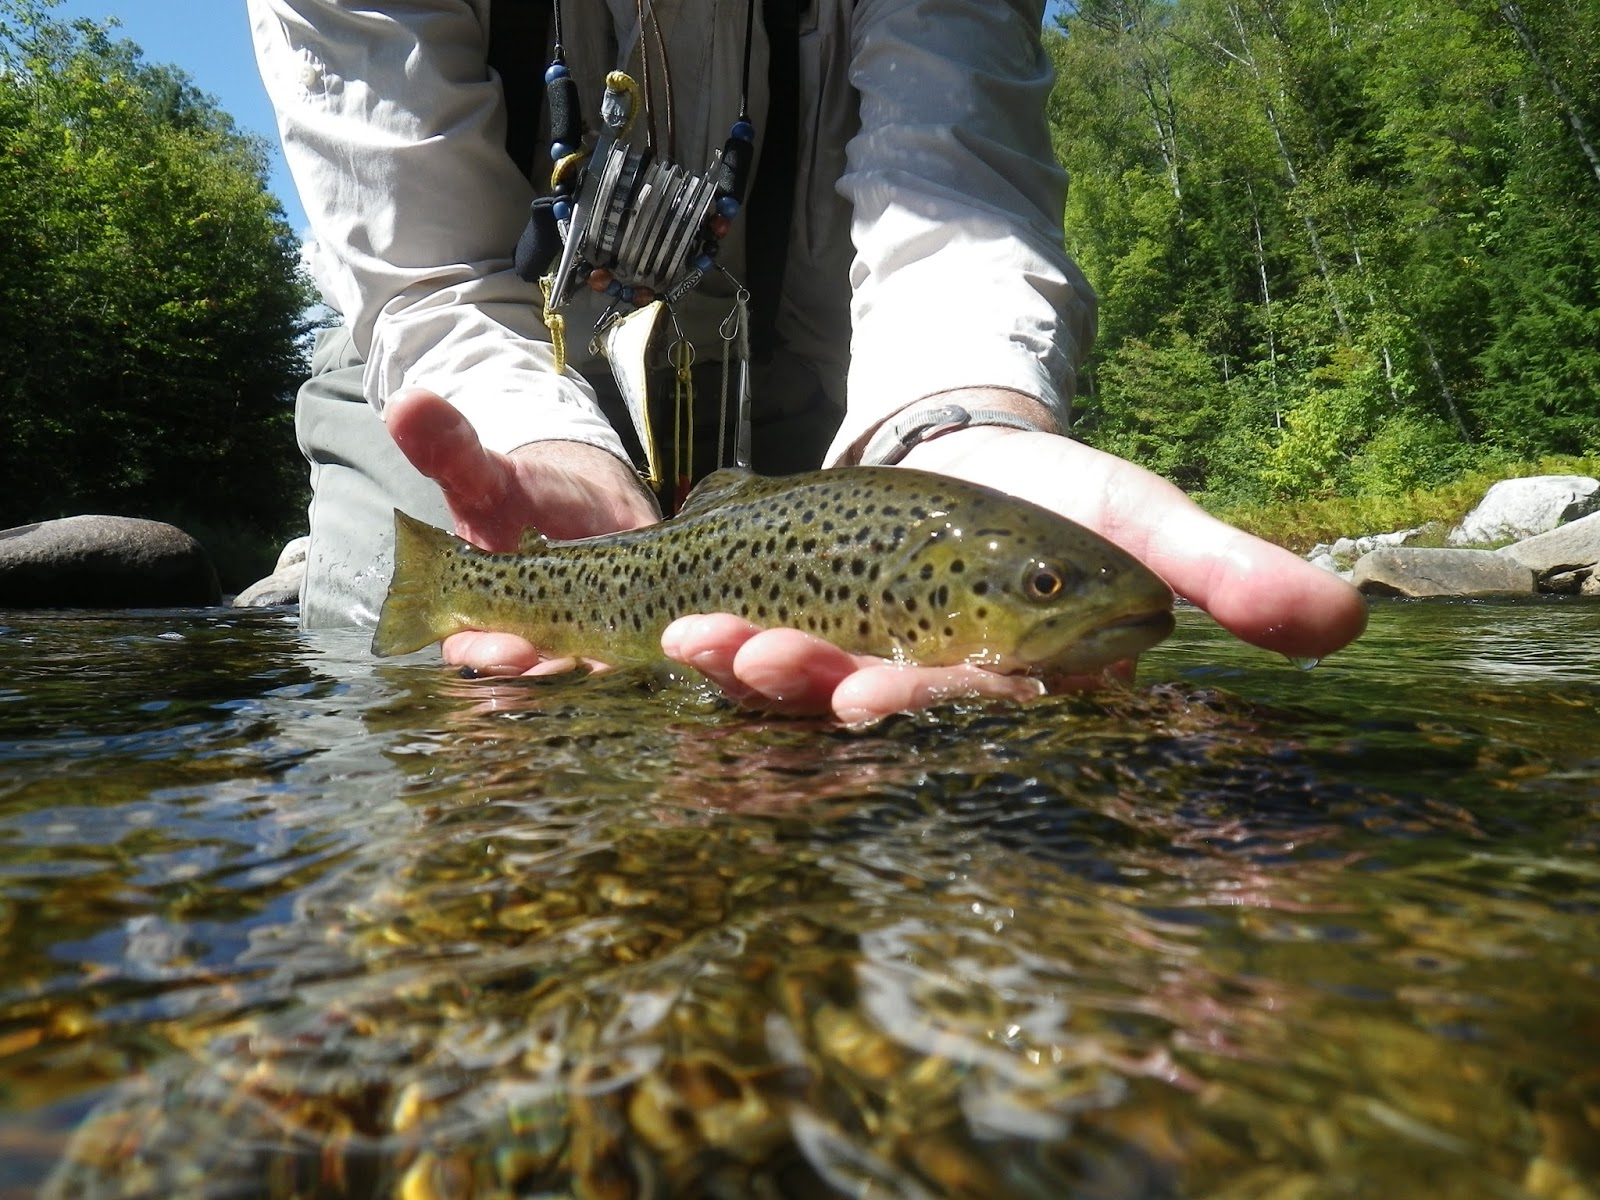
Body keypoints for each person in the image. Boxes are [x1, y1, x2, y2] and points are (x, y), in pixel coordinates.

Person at [248, 0, 1366, 724]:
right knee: (410, 719)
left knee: (857, 770)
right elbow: (426, 271)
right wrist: (536, 438)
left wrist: (956, 423)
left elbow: (955, 187)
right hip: (464, 359)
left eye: (1040, 585)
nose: (1052, 590)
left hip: (831, 368)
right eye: (1039, 585)